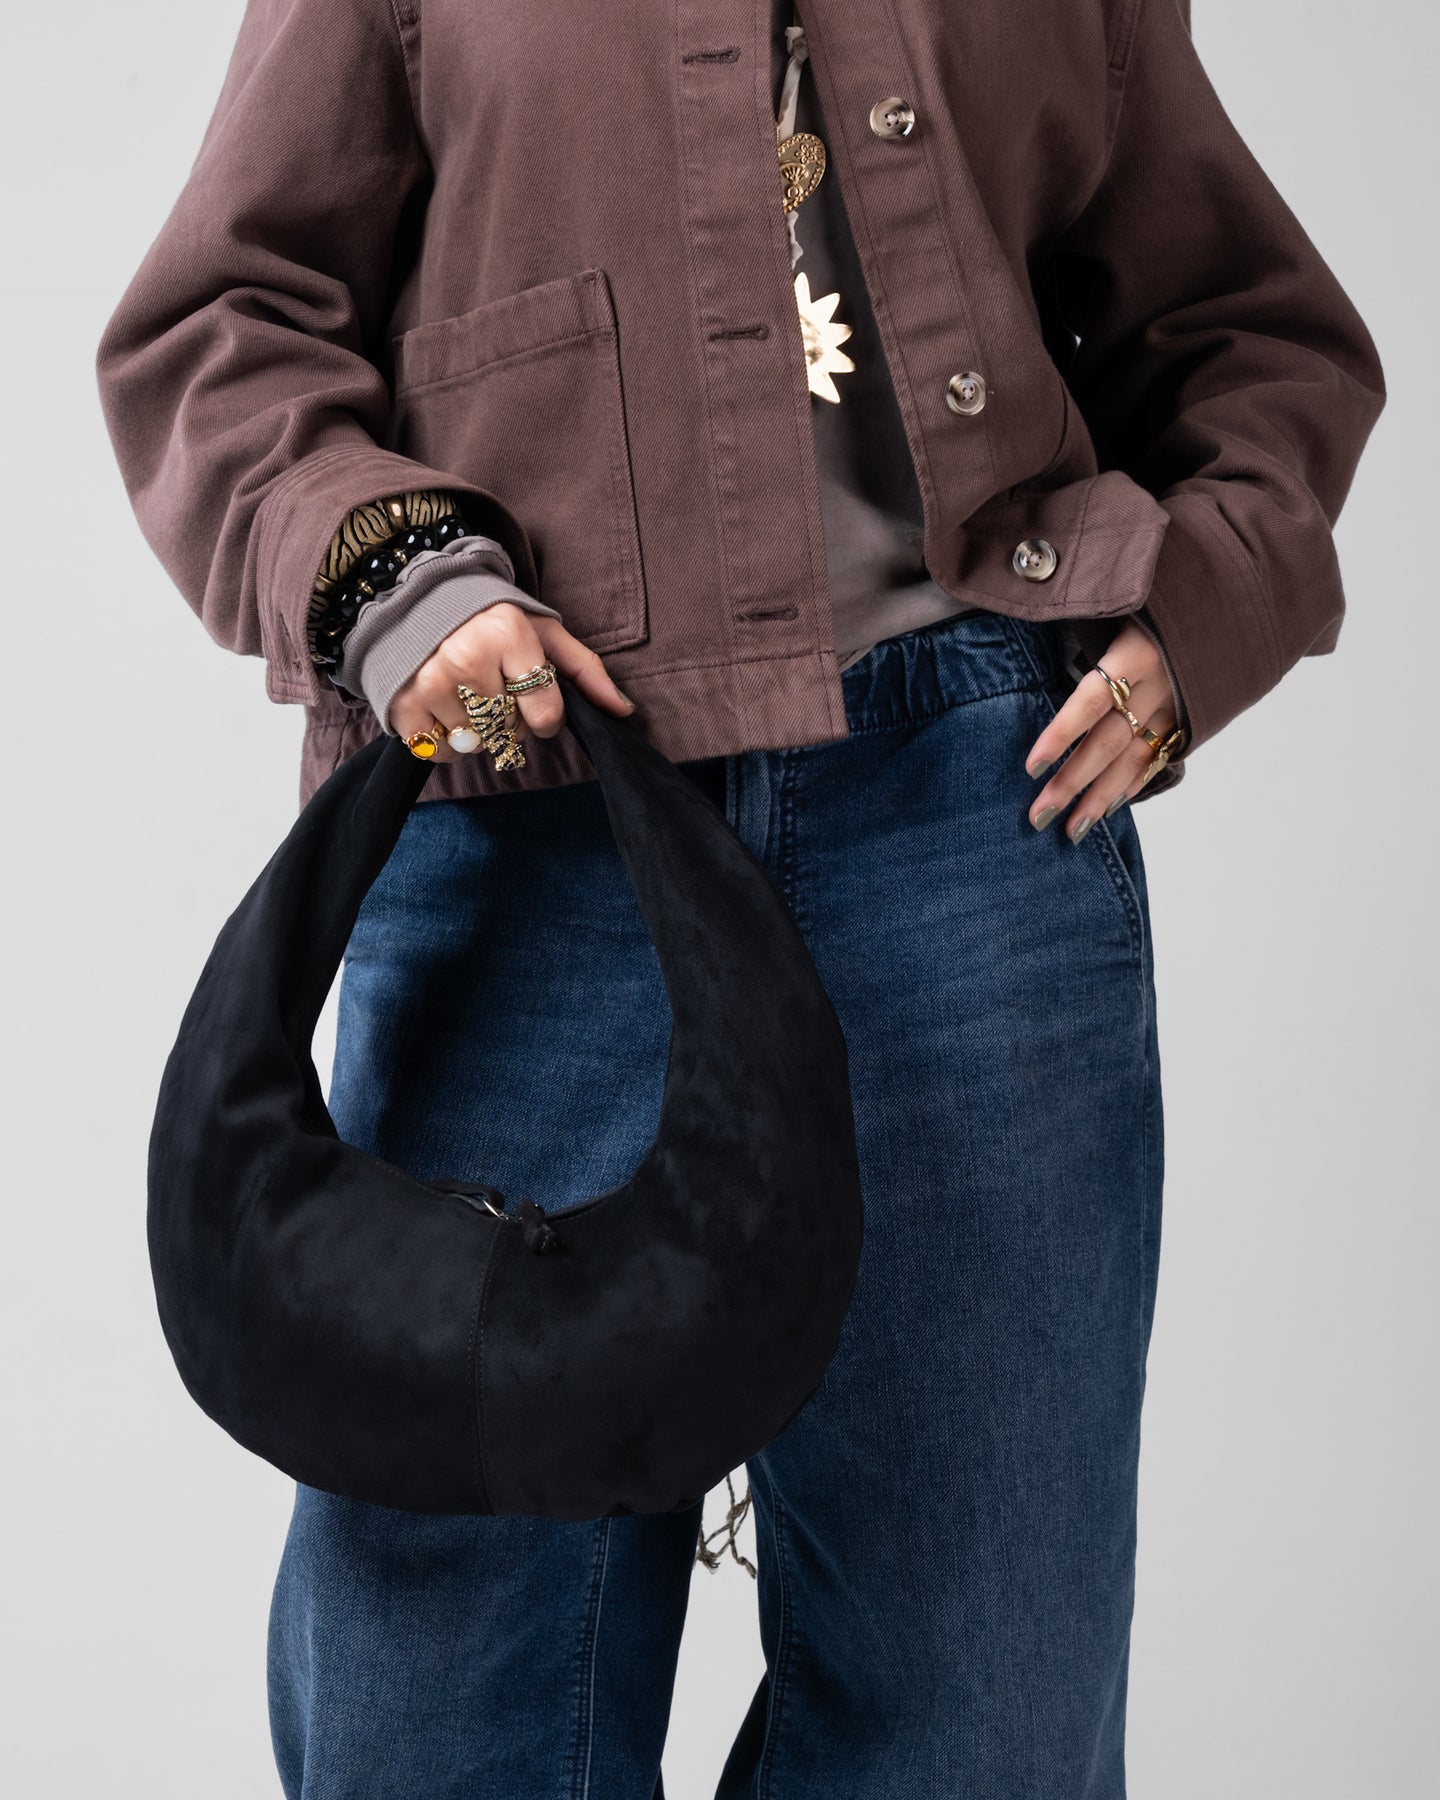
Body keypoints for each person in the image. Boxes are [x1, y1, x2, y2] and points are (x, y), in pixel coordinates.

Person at [96, 1, 1384, 1793]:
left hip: (971, 811)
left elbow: (1250, 328)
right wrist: (397, 576)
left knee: (983, 1714)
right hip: (527, 820)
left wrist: (1207, 602)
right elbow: (217, 328)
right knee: (442, 1706)